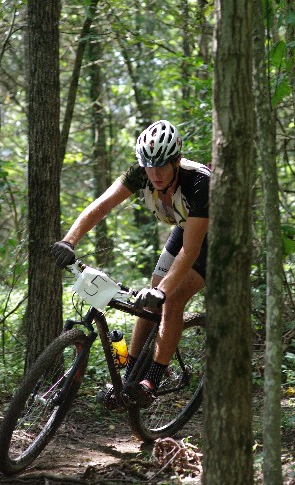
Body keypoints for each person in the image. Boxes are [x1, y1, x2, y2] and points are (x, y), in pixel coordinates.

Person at [51, 120, 210, 407]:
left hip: (214, 236)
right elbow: (101, 205)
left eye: (162, 166)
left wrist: (164, 290)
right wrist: (68, 241)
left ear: (177, 160)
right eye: (149, 166)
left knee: (170, 298)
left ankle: (151, 382)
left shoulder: (199, 182)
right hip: (185, 227)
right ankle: (129, 379)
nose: (155, 173)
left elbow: (191, 250)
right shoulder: (142, 172)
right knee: (148, 300)